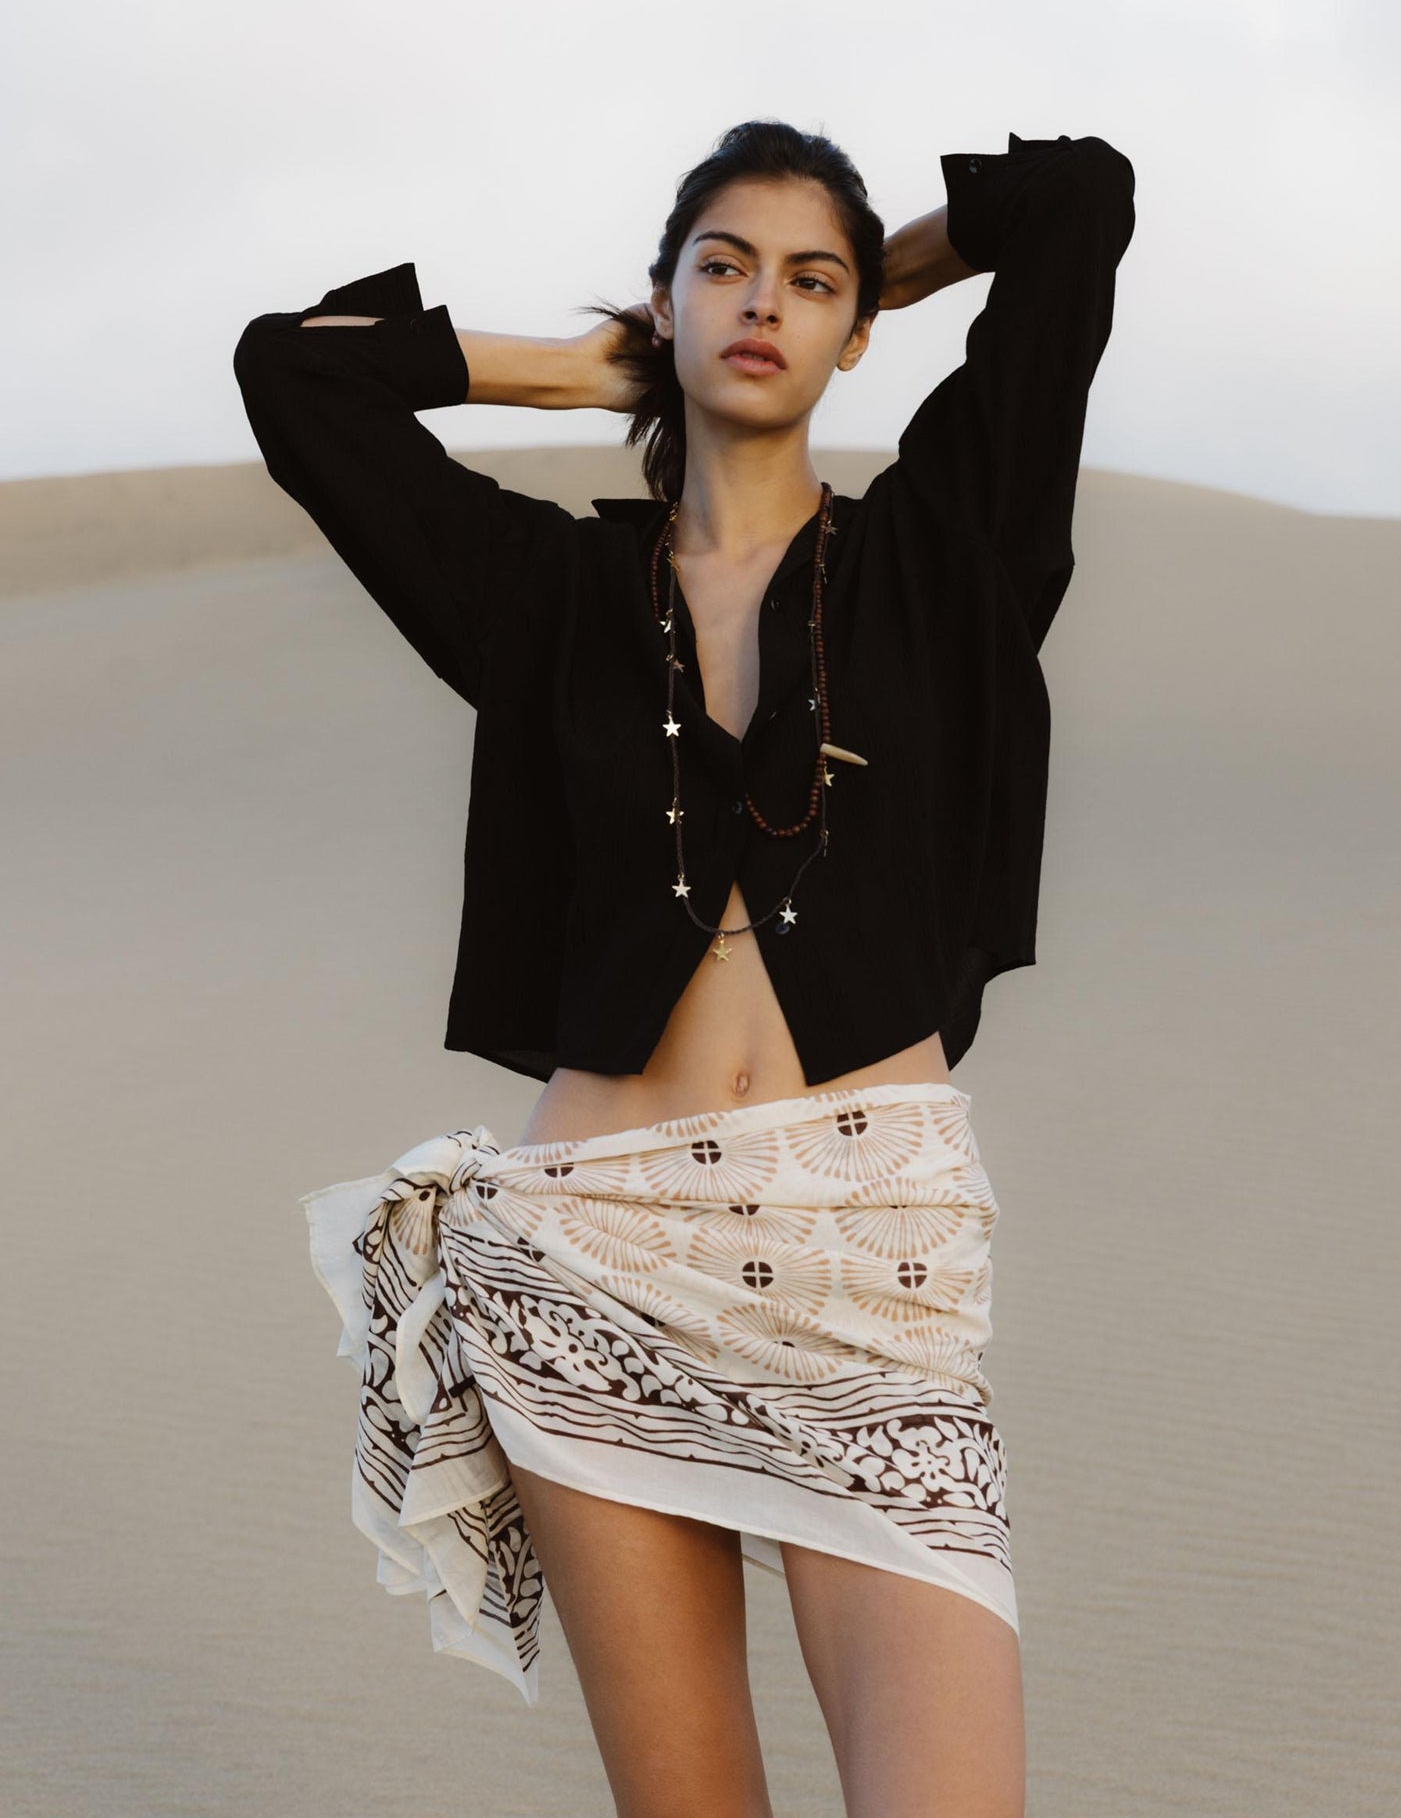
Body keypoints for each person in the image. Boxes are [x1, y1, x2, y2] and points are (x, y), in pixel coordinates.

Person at [234, 116, 1135, 1818]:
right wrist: (596, 370)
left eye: (810, 283)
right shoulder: (547, 594)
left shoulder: (947, 557)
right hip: (593, 1255)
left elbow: (1079, 197)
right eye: (724, 268)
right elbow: (295, 377)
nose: (764, 304)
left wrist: (885, 268)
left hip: (872, 1255)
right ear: (667, 299)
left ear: (858, 329)